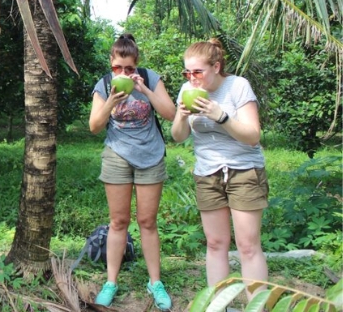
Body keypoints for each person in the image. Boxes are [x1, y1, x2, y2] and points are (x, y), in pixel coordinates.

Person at [171, 38, 268, 299]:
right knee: (215, 244)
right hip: (207, 173)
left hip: (244, 171)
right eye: (187, 72)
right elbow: (178, 136)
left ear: (215, 66)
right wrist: (181, 115)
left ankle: (256, 306)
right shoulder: (186, 90)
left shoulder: (237, 87)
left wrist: (220, 116)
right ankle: (218, 304)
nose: (192, 78)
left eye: (197, 72)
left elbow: (253, 136)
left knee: (248, 246)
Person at [88, 33, 176, 310]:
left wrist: (145, 90)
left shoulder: (150, 78)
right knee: (118, 222)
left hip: (150, 155)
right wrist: (112, 101)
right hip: (117, 156)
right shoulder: (104, 85)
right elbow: (94, 126)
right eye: (118, 68)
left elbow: (171, 113)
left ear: (136, 65)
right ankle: (111, 282)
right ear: (111, 64)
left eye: (129, 68)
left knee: (148, 221)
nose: (123, 73)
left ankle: (155, 282)